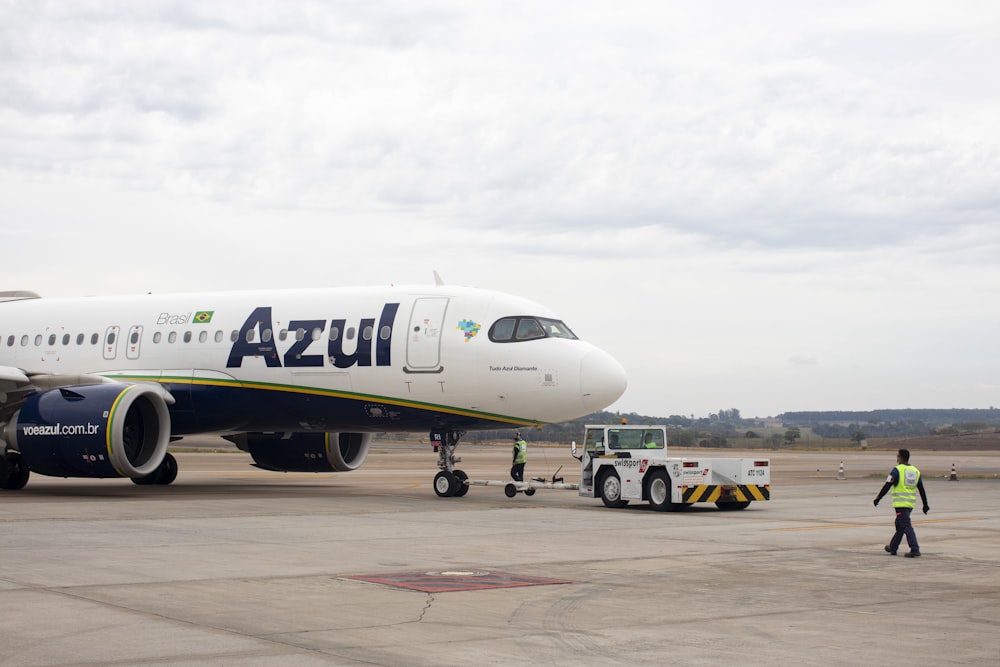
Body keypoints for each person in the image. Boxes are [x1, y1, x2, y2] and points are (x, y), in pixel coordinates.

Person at [873, 448, 930, 557]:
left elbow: (887, 485)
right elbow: (921, 489)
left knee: (906, 526)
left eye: (897, 456)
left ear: (901, 457)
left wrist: (878, 498)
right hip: (910, 504)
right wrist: (925, 504)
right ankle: (893, 547)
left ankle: (914, 548)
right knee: (900, 525)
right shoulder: (915, 471)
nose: (896, 458)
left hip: (900, 504)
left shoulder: (896, 470)